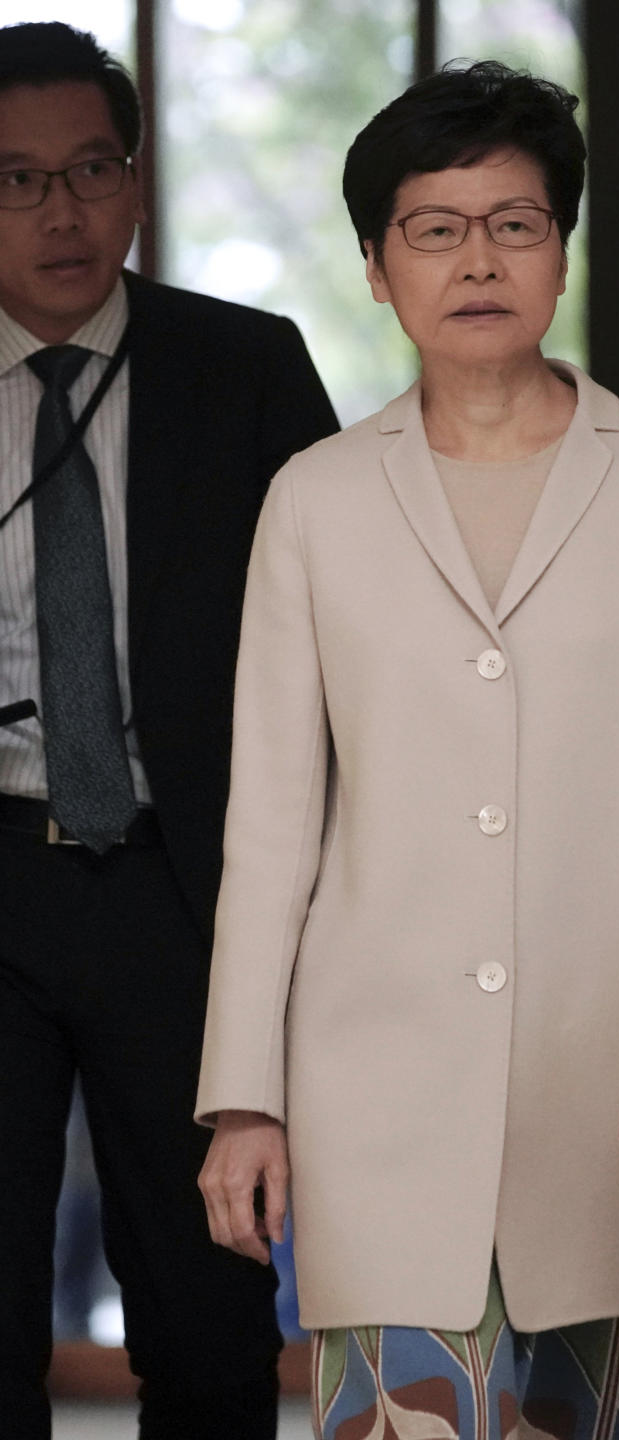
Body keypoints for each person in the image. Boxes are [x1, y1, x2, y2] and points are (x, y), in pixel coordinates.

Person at [194, 59, 619, 1440]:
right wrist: (242, 1100)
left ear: (561, 255)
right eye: (434, 229)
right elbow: (270, 824)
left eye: (515, 223)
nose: (477, 260)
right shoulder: (318, 500)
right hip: (374, 1086)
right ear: (380, 270)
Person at [0, 21, 338, 1440]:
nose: (62, 212)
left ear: (136, 181)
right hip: (0, 859)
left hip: (183, 883)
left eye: (89, 169)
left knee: (205, 1316)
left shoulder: (244, 368)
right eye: (15, 181)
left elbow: (341, 636)